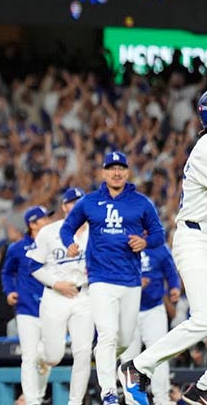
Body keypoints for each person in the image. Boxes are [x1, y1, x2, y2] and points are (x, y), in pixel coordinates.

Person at [118, 95, 207, 405]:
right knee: (205, 318)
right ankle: (137, 367)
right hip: (194, 239)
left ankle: (203, 389)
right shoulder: (206, 148)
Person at [60, 151, 165, 405]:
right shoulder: (89, 202)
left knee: (125, 340)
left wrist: (145, 241)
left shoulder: (141, 202)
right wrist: (69, 244)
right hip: (100, 279)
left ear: (127, 172)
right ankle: (108, 392)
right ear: (103, 173)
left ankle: (111, 362)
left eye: (121, 168)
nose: (116, 172)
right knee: (108, 334)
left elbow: (159, 235)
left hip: (130, 279)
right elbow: (67, 227)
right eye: (111, 168)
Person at [27, 187, 93, 405]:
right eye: (72, 202)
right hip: (55, 296)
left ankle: (74, 402)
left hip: (84, 296)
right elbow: (33, 266)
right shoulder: (49, 231)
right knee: (53, 356)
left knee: (83, 352)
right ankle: (41, 354)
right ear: (64, 207)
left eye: (80, 202)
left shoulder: (96, 231)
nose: (76, 206)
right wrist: (57, 284)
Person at [1, 205, 53, 405]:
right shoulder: (17, 247)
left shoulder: (53, 244)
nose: (48, 221)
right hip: (26, 308)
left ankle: (37, 395)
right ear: (32, 224)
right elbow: (6, 272)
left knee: (47, 355)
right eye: (44, 218)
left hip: (50, 307)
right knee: (29, 356)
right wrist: (9, 291)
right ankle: (32, 400)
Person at [119, 243, 180, 405]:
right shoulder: (122, 243)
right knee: (128, 357)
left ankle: (162, 399)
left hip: (154, 308)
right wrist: (134, 282)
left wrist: (174, 287)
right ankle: (131, 400)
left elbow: (171, 270)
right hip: (127, 308)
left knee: (159, 354)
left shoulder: (158, 245)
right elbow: (113, 274)